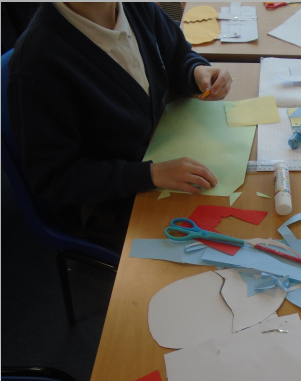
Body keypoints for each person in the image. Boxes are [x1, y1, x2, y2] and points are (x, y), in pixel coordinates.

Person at [7, 2, 232, 249]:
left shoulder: (136, 6)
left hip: (159, 151)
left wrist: (196, 72)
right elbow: (55, 177)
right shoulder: (37, 62)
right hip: (110, 201)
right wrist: (151, 174)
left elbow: (176, 56)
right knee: (216, 244)